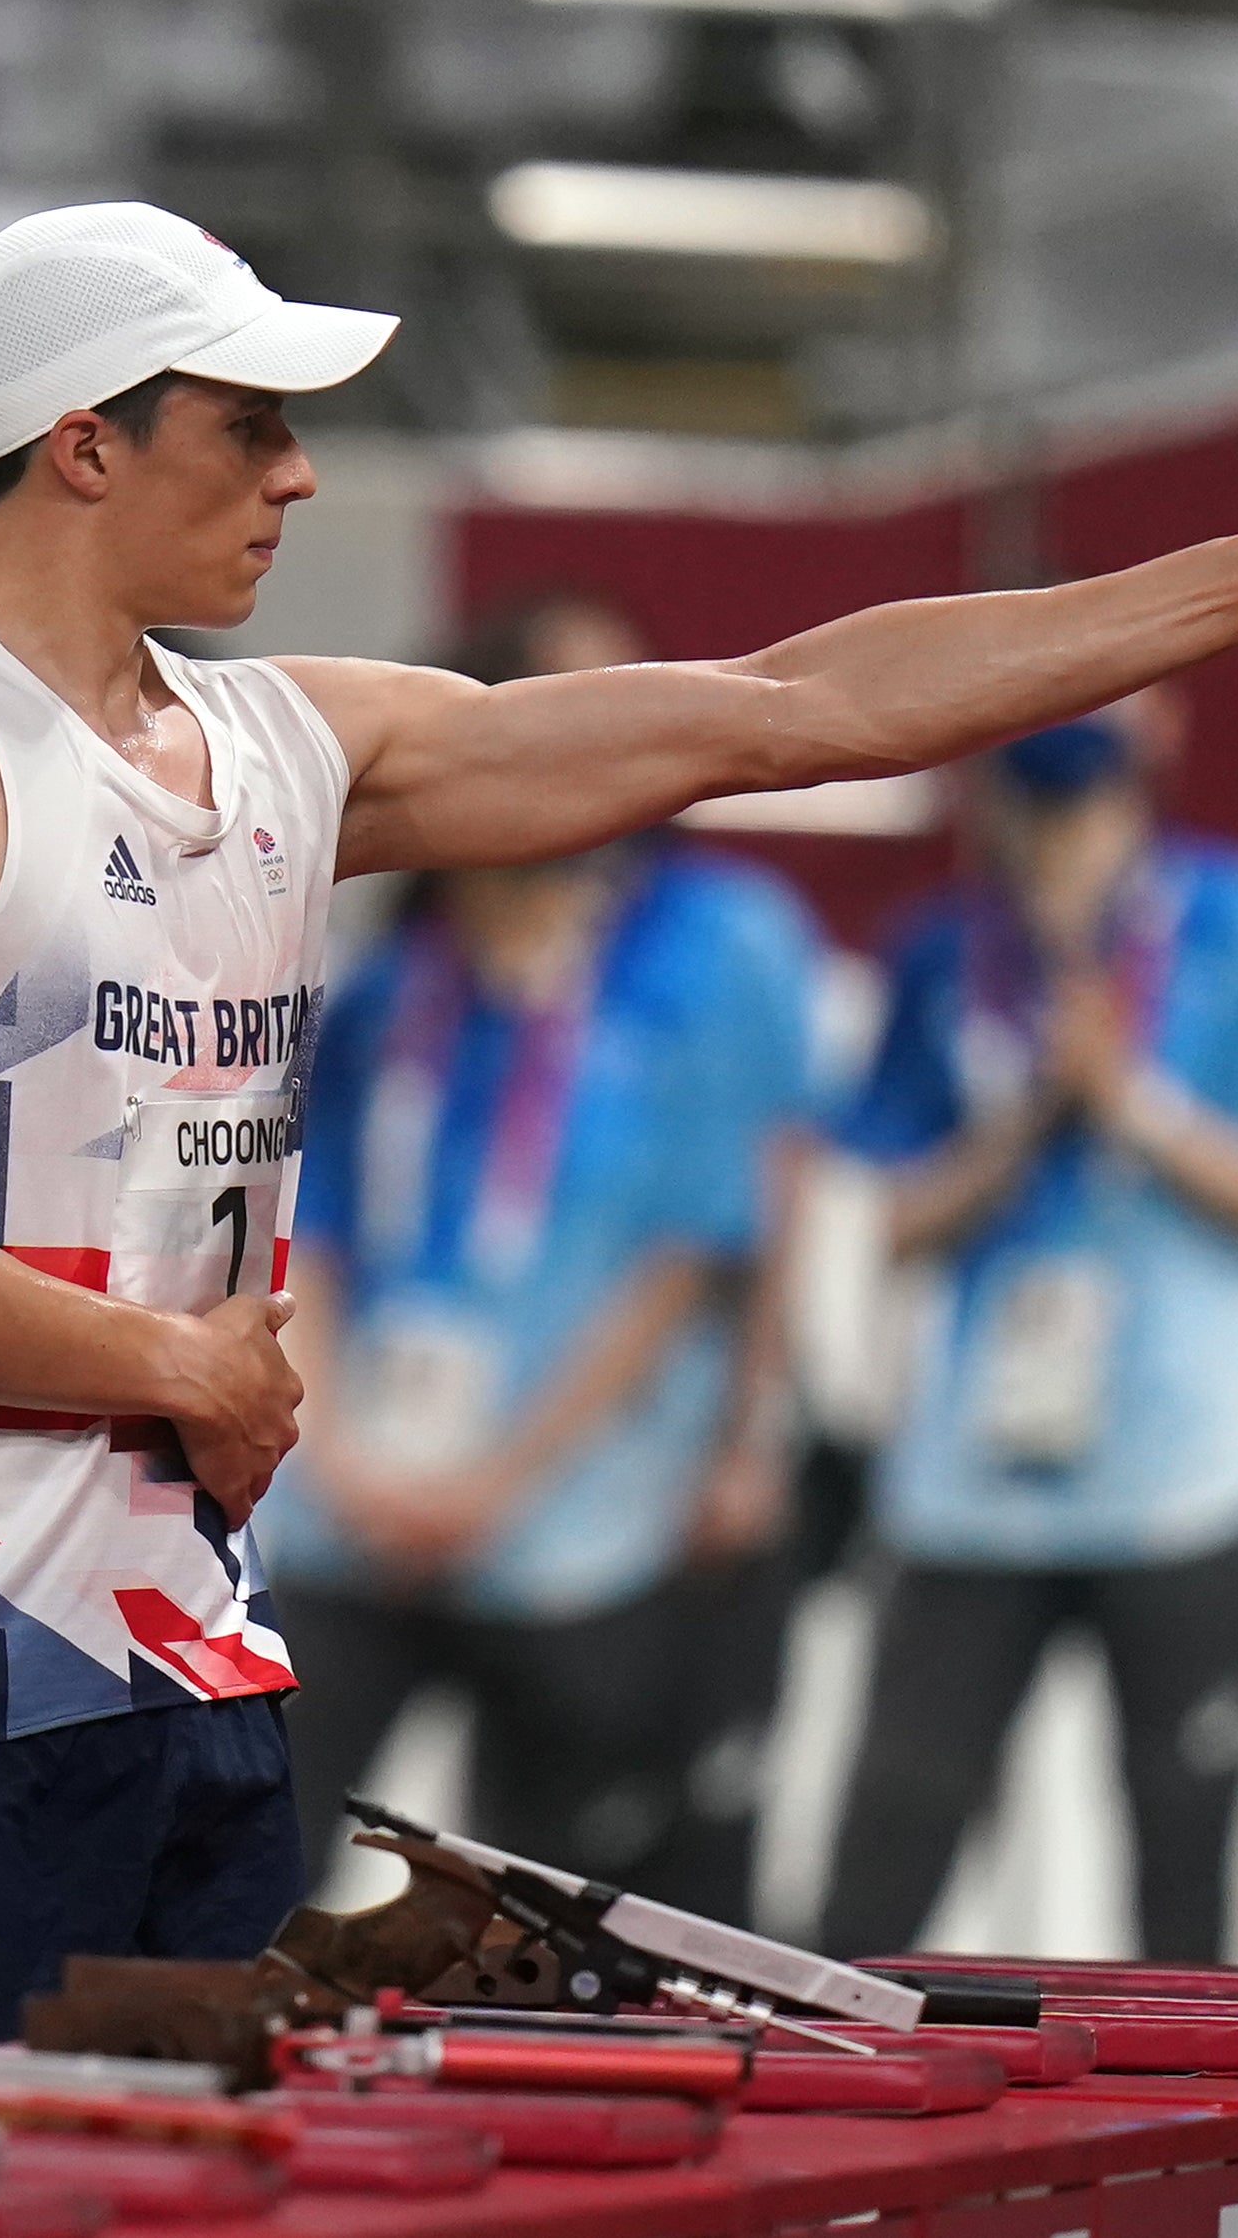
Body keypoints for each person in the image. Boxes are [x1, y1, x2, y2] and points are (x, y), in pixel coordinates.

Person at [0, 199, 1238, 2042]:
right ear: (84, 442)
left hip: (188, 1635)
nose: (300, 475)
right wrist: (177, 1364)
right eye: (250, 424)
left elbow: (787, 709)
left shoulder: (286, 745)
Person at [819, 698, 1238, 1962]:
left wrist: (1132, 1101)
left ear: (1162, 728)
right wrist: (1021, 1123)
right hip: (971, 1483)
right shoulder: (946, 943)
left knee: (1185, 1868)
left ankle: (1192, 2147)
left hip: (1189, 1476)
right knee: (889, 1842)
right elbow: (878, 1220)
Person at [258, 813, 819, 1905]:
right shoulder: (384, 1004)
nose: (563, 908)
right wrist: (335, 1457)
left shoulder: (659, 1025)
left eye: (582, 885)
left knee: (549, 1895)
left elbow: (680, 1271)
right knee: (261, 1839)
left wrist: (498, 1485)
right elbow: (305, 1234)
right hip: (357, 1516)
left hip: (571, 1534)